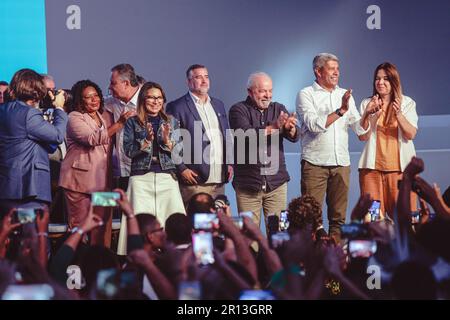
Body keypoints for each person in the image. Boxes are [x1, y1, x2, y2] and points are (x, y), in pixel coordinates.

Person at [296, 53, 369, 243]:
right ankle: (313, 264)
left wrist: (369, 114)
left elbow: (361, 132)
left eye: (338, 68)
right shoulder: (306, 94)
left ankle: (335, 264)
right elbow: (313, 125)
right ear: (318, 71)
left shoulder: (344, 95)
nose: (336, 72)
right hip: (315, 164)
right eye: (331, 68)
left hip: (341, 164)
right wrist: (340, 111)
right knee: (311, 219)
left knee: (338, 219)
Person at [117, 81, 185, 255]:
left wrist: (167, 141)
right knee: (140, 224)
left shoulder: (172, 121)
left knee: (171, 222)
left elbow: (179, 152)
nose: (156, 101)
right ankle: (138, 260)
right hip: (141, 179)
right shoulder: (133, 122)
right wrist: (146, 141)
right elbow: (128, 151)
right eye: (151, 97)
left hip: (167, 177)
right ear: (143, 99)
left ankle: (172, 258)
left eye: (159, 97)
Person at [59, 80, 128, 247]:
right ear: (79, 100)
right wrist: (119, 124)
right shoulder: (74, 117)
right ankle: (78, 268)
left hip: (104, 182)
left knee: (104, 227)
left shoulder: (106, 115)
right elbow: (92, 139)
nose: (94, 99)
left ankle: (102, 267)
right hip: (79, 184)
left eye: (96, 95)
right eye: (87, 97)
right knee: (80, 230)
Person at [229, 72, 300, 228]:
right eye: (262, 91)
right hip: (248, 186)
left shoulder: (279, 108)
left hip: (277, 185)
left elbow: (295, 136)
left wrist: (290, 128)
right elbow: (246, 135)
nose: (268, 95)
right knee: (248, 236)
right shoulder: (237, 110)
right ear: (249, 92)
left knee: (281, 233)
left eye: (270, 91)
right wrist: (274, 127)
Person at [0, 69, 67, 213]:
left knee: (9, 231)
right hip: (28, 188)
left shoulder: (4, 111)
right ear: (37, 88)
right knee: (32, 232)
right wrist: (60, 108)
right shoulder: (29, 114)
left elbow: (49, 145)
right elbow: (57, 136)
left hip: (7, 186)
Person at [166, 64, 232, 205]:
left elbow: (226, 135)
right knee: (194, 224)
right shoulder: (177, 107)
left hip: (219, 178)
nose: (204, 80)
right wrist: (182, 169)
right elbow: (172, 142)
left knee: (216, 224)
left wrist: (230, 163)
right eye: (198, 77)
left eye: (206, 76)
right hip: (195, 180)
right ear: (188, 82)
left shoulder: (218, 104)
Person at [358, 62, 418, 218]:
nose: (381, 82)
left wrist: (399, 115)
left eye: (385, 79)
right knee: (372, 219)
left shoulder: (407, 103)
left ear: (393, 81)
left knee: (403, 219)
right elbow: (362, 136)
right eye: (377, 79)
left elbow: (410, 134)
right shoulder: (367, 103)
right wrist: (368, 114)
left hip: (399, 170)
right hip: (371, 170)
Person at [104, 63, 140, 190]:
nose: (109, 87)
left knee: (140, 209)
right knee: (121, 206)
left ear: (126, 83)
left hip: (143, 173)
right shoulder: (112, 102)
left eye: (113, 83)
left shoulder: (148, 100)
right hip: (121, 172)